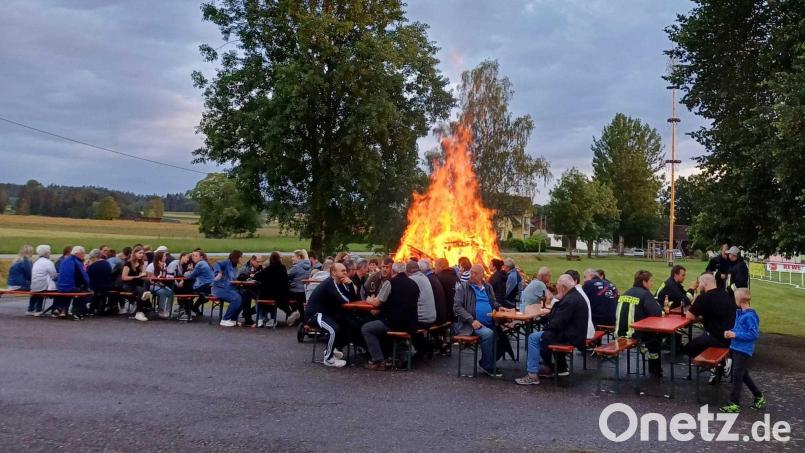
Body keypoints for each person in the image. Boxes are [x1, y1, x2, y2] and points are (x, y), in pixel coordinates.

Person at [515, 274, 589, 385]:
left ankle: (532, 375)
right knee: (542, 335)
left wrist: (545, 325)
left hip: (570, 336)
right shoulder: (574, 296)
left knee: (533, 338)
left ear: (564, 288)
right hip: (574, 333)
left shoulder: (569, 300)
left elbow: (557, 323)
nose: (556, 289)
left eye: (558, 286)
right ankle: (549, 367)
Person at [453, 264, 513, 376]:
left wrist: (499, 307)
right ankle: (488, 366)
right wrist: (471, 320)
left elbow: (493, 301)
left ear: (482, 275)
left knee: (504, 340)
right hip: (472, 325)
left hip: (490, 322)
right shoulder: (463, 287)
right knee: (488, 334)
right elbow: (457, 307)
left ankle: (485, 361)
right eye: (472, 272)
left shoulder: (488, 286)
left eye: (476, 273)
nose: (472, 275)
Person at [362, 262, 420, 370]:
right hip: (412, 323)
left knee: (367, 328)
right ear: (405, 271)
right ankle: (390, 355)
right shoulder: (413, 283)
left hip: (395, 323)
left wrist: (368, 299)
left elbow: (377, 303)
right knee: (378, 324)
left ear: (393, 271)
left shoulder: (390, 283)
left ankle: (379, 360)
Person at [304, 263, 359, 368]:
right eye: (342, 271)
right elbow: (344, 301)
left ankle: (333, 349)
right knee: (333, 329)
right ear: (334, 272)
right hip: (315, 314)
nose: (345, 273)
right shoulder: (330, 283)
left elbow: (353, 300)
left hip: (325, 314)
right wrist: (351, 286)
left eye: (345, 271)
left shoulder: (340, 283)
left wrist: (351, 284)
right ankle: (328, 359)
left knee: (348, 324)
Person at [719, 288, 765, 413]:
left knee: (737, 376)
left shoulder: (750, 316)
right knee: (742, 374)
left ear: (740, 300)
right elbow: (739, 330)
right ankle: (758, 395)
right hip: (736, 348)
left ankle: (734, 403)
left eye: (735, 298)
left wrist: (734, 335)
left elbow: (753, 334)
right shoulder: (741, 313)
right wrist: (730, 333)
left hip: (743, 350)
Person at [686, 273, 736, 384]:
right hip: (730, 335)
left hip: (717, 337)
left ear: (704, 283)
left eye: (699, 283)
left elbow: (689, 316)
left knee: (689, 348)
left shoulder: (704, 297)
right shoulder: (724, 293)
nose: (699, 286)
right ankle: (720, 364)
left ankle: (716, 365)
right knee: (702, 339)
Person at [615, 270, 664, 377]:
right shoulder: (645, 294)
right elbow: (657, 313)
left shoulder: (626, 292)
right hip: (635, 334)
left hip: (620, 332)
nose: (652, 284)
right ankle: (655, 369)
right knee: (657, 338)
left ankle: (645, 349)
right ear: (644, 282)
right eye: (651, 281)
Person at [252, 252, 290, 327]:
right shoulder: (283, 268)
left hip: (269, 295)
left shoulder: (269, 269)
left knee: (259, 298)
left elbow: (256, 277)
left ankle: (260, 319)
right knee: (271, 300)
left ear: (271, 259)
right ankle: (272, 319)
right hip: (282, 295)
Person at [55, 246, 91, 319]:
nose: (84, 255)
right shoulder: (77, 262)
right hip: (71, 287)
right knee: (87, 292)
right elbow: (84, 277)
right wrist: (88, 286)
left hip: (60, 287)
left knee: (67, 293)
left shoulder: (64, 260)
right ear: (78, 253)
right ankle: (76, 312)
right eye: (83, 253)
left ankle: (63, 310)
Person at [212, 250, 245, 327]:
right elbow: (217, 264)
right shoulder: (226, 263)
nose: (241, 259)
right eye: (240, 257)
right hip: (220, 289)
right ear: (236, 257)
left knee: (244, 296)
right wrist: (219, 273)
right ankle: (225, 319)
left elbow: (232, 280)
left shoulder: (235, 268)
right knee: (236, 298)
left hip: (230, 288)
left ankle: (233, 319)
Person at [121, 246, 150, 322]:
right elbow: (123, 277)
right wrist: (136, 277)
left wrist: (144, 275)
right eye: (139, 253)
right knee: (142, 291)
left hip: (137, 283)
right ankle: (139, 312)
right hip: (127, 284)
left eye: (142, 253)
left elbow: (142, 274)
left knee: (145, 290)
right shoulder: (128, 263)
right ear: (134, 253)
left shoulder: (141, 263)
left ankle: (140, 309)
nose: (141, 255)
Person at [184, 249, 215, 320]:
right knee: (201, 294)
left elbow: (190, 276)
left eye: (196, 256)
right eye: (193, 256)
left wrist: (185, 273)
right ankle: (194, 307)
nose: (193, 257)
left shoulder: (200, 264)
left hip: (204, 286)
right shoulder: (206, 263)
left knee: (186, 289)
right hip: (210, 286)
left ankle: (188, 309)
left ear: (201, 257)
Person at [28, 244, 57, 316]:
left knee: (35, 294)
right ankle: (39, 310)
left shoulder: (36, 262)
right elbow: (54, 275)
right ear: (46, 253)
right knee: (52, 288)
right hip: (43, 286)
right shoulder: (48, 262)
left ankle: (30, 309)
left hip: (34, 285)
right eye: (49, 252)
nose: (50, 254)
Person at [406, 261, 437, 328]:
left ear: (407, 272)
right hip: (431, 318)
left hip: (422, 320)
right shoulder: (425, 277)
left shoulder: (411, 280)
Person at [146, 250, 174, 319]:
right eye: (164, 256)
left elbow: (164, 276)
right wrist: (158, 278)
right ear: (160, 257)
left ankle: (168, 311)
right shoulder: (151, 266)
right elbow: (149, 279)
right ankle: (161, 311)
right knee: (162, 292)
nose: (166, 257)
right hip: (152, 285)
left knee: (171, 292)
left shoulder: (164, 265)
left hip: (160, 284)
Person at [287, 249, 311, 326]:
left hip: (295, 291)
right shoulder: (309, 266)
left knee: (280, 296)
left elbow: (287, 276)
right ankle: (301, 318)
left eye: (293, 257)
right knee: (299, 303)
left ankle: (291, 313)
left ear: (299, 257)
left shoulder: (296, 267)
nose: (292, 258)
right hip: (304, 291)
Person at [87, 248, 114, 314]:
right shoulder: (106, 263)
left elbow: (87, 277)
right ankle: (101, 308)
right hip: (107, 286)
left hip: (96, 287)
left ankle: (91, 307)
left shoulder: (92, 267)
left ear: (94, 257)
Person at [420, 259, 447, 325]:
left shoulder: (427, 280)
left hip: (436, 318)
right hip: (441, 316)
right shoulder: (433, 277)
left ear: (421, 269)